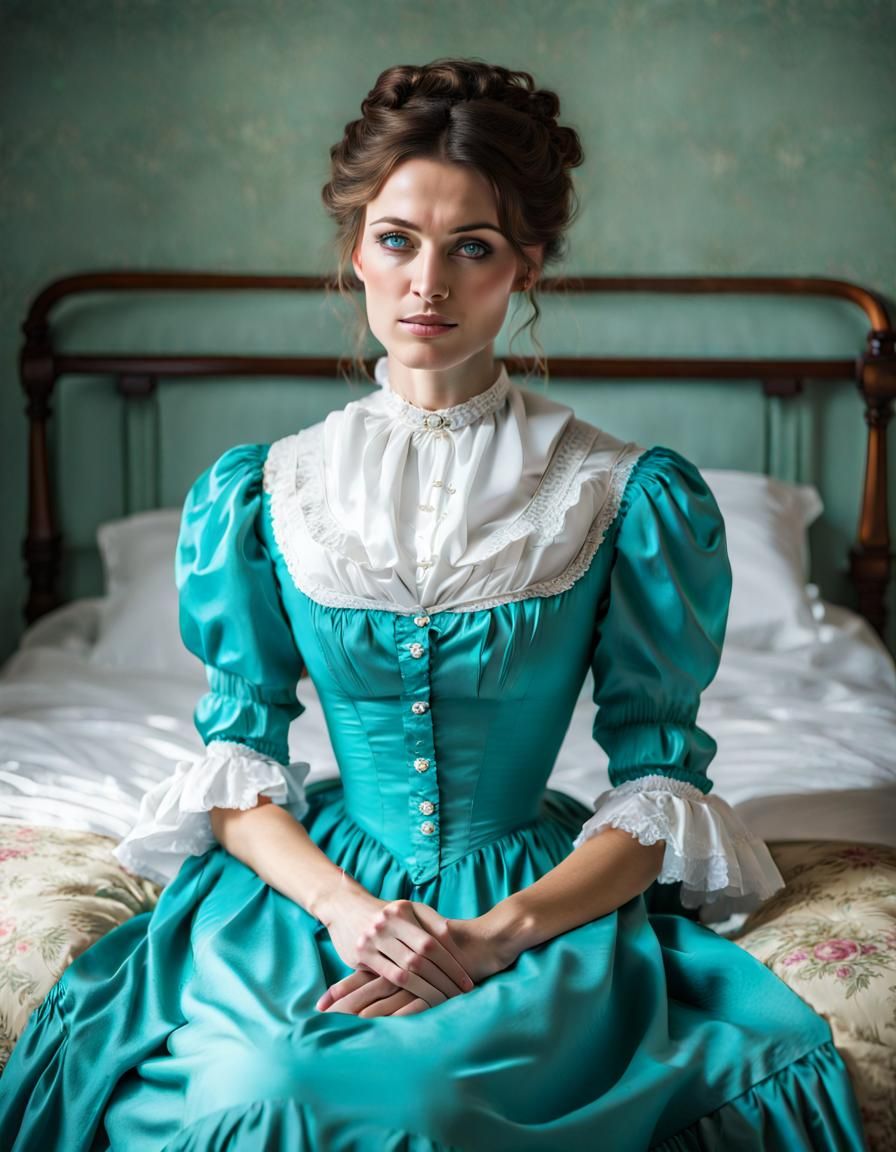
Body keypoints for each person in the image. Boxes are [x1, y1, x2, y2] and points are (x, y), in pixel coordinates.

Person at [0, 58, 867, 1152]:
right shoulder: (265, 491)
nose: (428, 285)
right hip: (317, 890)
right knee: (254, 1091)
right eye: (398, 239)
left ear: (525, 267)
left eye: (473, 248)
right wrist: (349, 915)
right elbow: (237, 761)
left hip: (531, 901)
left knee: (428, 1105)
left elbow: (654, 784)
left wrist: (497, 935)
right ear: (354, 250)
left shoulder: (623, 493)